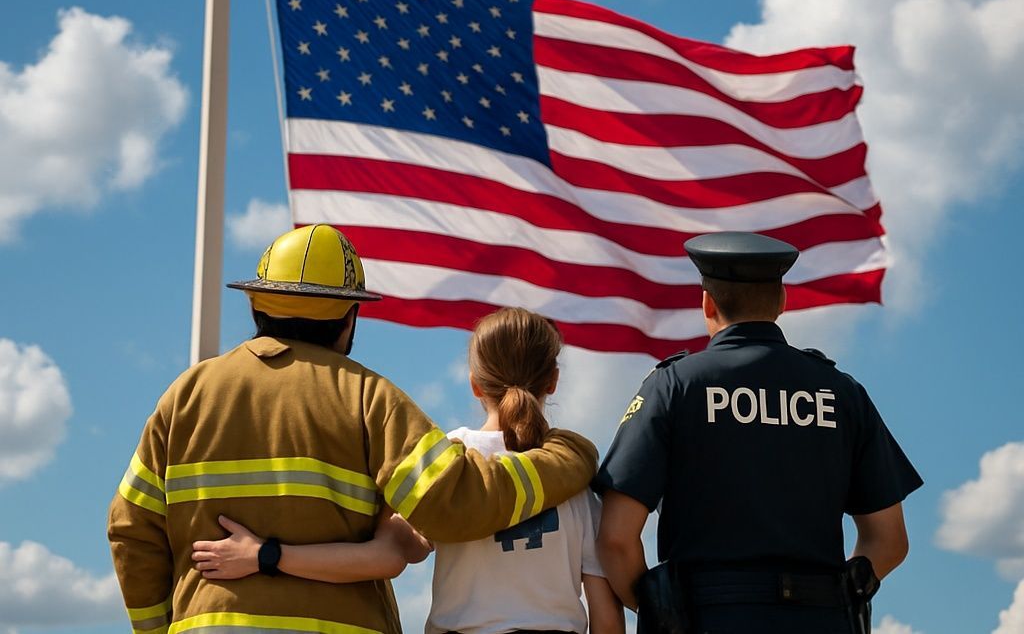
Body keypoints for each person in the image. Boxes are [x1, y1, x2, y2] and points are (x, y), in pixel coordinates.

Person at [108, 224, 598, 634]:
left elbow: (130, 531)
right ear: (349, 316)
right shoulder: (369, 398)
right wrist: (569, 456)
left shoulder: (186, 395)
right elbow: (460, 504)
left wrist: (159, 628)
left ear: (258, 306)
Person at [191, 307, 625, 634]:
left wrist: (265, 555)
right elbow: (605, 613)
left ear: (475, 384)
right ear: (552, 380)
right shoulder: (575, 480)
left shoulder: (444, 463)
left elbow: (387, 557)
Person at [593, 232, 923, 634]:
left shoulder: (673, 387)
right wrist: (843, 595)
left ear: (707, 303)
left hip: (708, 618)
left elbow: (615, 539)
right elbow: (889, 540)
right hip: (819, 619)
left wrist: (661, 612)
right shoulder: (841, 392)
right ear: (782, 303)